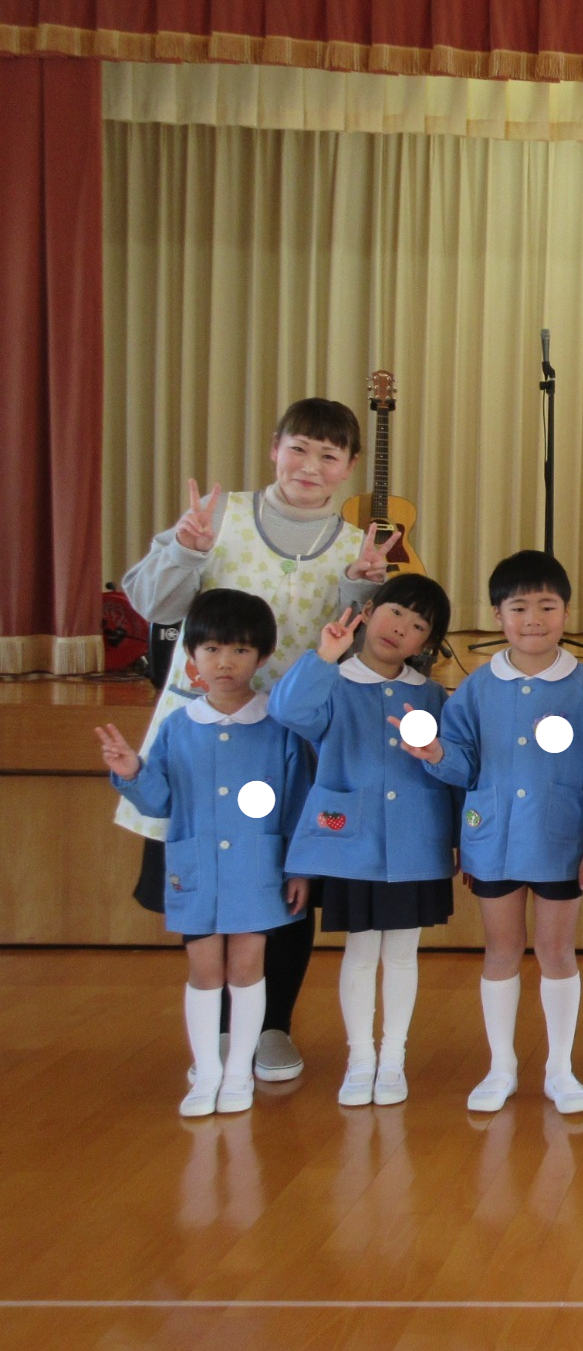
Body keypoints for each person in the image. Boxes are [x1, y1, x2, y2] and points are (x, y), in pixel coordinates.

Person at [116, 397, 390, 1083]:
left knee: (285, 880)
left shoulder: (355, 549)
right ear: (274, 448)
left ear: (350, 467)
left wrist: (359, 591)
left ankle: (271, 1026)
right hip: (203, 737)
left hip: (288, 744)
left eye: (329, 455)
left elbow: (355, 654)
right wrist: (185, 550)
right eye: (299, 448)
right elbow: (152, 604)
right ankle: (216, 1030)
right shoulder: (219, 517)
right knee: (208, 874)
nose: (310, 466)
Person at [403, 551, 583, 1116]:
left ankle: (560, 1069)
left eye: (546, 606)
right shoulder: (475, 688)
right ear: (498, 615)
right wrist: (436, 755)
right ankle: (501, 1067)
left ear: (566, 612)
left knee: (555, 950)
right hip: (492, 841)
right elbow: (462, 767)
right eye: (518, 607)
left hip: (561, 841)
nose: (533, 619)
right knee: (501, 949)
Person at [96, 589, 310, 1116]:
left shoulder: (278, 728)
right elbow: (160, 801)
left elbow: (299, 807)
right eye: (211, 649)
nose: (225, 662)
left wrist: (299, 869)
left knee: (248, 967)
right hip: (195, 873)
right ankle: (207, 1072)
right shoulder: (177, 726)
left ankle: (237, 1075)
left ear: (262, 656)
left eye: (239, 649)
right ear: (191, 655)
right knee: (204, 970)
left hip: (258, 870)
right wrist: (130, 772)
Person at [269, 575, 457, 1108]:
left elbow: (452, 769)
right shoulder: (332, 681)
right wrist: (323, 658)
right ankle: (360, 1059)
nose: (400, 629)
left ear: (426, 643)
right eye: (395, 612)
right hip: (352, 843)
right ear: (369, 611)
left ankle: (393, 1059)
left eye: (417, 625)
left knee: (402, 954)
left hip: (415, 845)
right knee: (359, 952)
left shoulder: (431, 695)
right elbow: (289, 713)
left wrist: (459, 837)